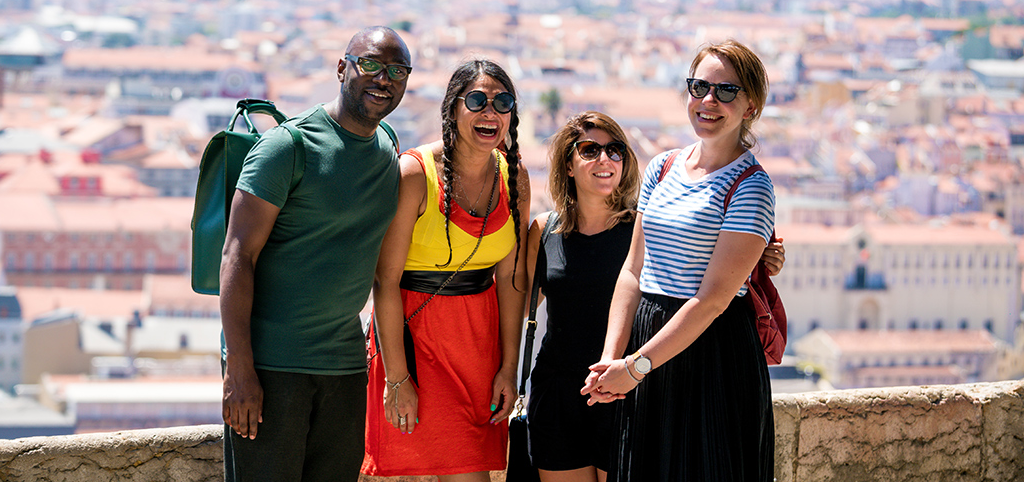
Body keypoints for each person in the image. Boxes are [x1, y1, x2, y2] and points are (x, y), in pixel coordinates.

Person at [526, 111, 784, 482]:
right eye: (589, 150)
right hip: (562, 391)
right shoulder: (545, 229)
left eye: (615, 150)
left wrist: (761, 256)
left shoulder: (646, 229)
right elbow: (522, 306)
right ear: (567, 164)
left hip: (625, 385)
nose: (605, 159)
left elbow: (703, 262)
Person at [220, 26, 413, 482]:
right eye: (369, 64)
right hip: (271, 368)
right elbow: (236, 257)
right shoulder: (288, 147)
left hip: (345, 371)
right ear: (342, 67)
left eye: (397, 71)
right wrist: (239, 371)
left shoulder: (388, 149)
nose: (382, 79)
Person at [581, 39, 777, 482]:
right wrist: (611, 360)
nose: (708, 100)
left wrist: (635, 367)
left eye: (726, 91)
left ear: (750, 107)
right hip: (651, 341)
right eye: (699, 86)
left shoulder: (752, 186)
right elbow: (633, 272)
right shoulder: (662, 167)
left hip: (712, 351)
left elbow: (711, 301)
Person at [363, 59, 531, 482]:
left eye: (502, 102)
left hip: (479, 344)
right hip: (418, 342)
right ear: (452, 109)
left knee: (466, 467)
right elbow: (385, 281)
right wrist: (398, 379)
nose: (490, 112)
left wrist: (508, 367)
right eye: (477, 100)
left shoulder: (515, 178)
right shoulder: (415, 174)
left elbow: (512, 284)